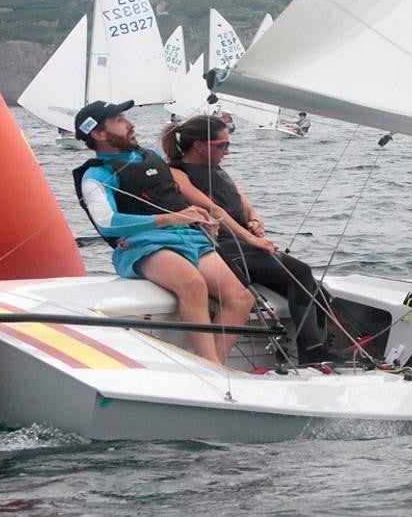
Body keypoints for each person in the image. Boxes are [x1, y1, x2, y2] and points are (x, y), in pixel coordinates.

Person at [71, 100, 254, 364]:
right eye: (120, 120)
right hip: (143, 246)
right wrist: (170, 219)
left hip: (189, 238)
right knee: (192, 284)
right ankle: (211, 366)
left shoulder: (153, 157)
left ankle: (211, 367)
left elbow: (176, 197)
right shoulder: (96, 175)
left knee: (240, 298)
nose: (130, 123)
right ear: (99, 134)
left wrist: (200, 216)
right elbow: (107, 221)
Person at [160, 115, 337, 364]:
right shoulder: (176, 173)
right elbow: (214, 211)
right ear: (199, 145)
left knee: (318, 292)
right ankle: (312, 352)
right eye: (222, 145)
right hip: (219, 247)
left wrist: (255, 221)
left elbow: (245, 205)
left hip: (243, 243)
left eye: (228, 145)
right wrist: (251, 240)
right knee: (300, 271)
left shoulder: (219, 172)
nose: (227, 152)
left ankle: (321, 349)